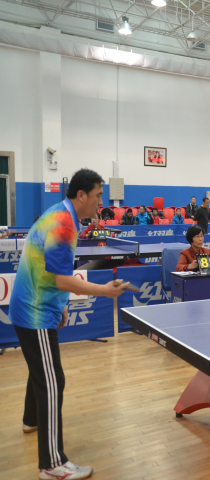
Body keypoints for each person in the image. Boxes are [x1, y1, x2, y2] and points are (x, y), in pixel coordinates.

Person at [9, 169, 129, 480]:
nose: (101, 202)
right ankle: (52, 465)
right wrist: (104, 291)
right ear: (81, 195)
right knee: (53, 381)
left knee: (41, 371)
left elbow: (51, 271)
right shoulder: (63, 224)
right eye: (98, 195)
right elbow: (63, 279)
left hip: (37, 305)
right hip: (34, 312)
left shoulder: (62, 215)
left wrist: (61, 304)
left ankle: (31, 419)